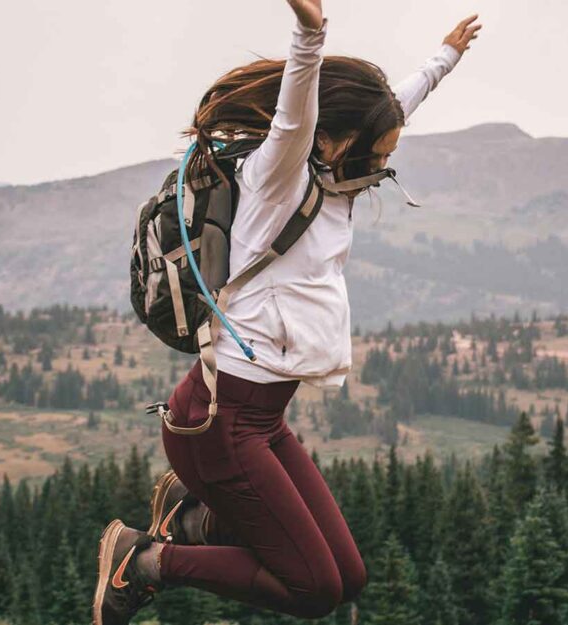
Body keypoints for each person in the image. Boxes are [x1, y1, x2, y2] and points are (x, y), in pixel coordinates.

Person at [93, 1, 480, 623]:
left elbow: (397, 104)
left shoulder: (338, 176)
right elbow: (298, 107)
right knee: (314, 591)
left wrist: (446, 57)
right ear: (330, 138)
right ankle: (142, 560)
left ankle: (198, 515)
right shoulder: (280, 175)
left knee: (348, 577)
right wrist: (310, 32)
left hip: (261, 422)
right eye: (377, 153)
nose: (382, 166)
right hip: (222, 423)